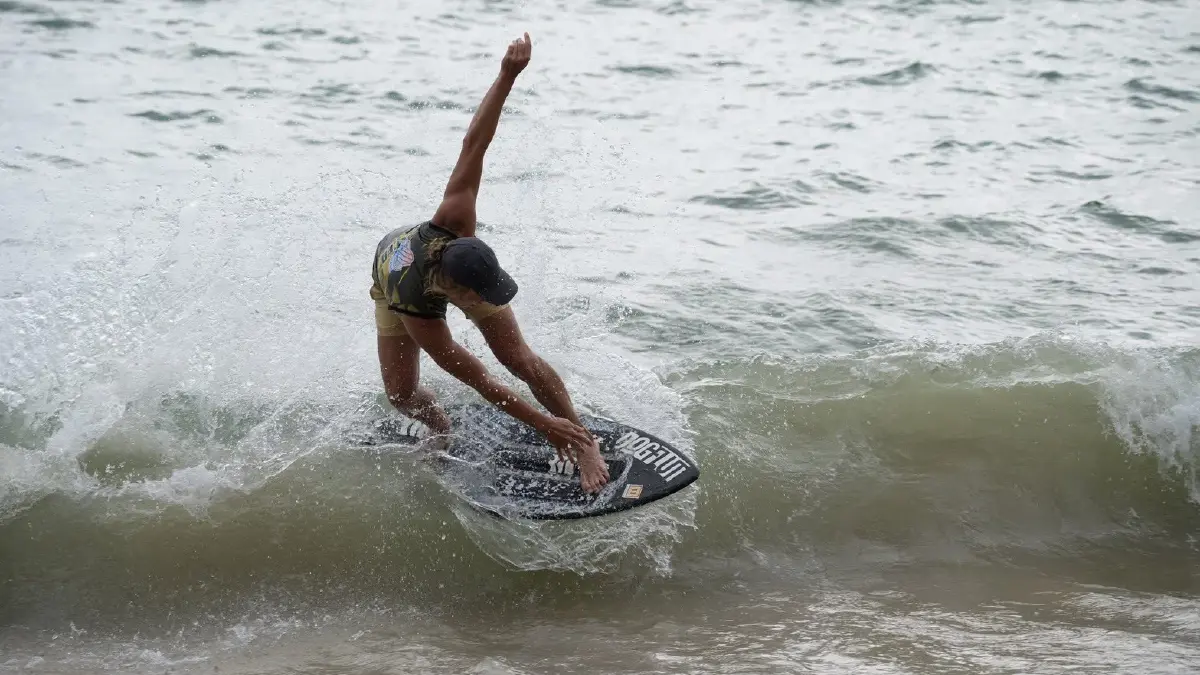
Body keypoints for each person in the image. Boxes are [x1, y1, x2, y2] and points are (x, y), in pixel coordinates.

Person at [368, 32, 610, 494]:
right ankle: (440, 427)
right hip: (390, 281)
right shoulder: (415, 304)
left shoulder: (457, 217)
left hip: (446, 265)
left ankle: (585, 441)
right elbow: (478, 378)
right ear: (459, 294)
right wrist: (542, 424)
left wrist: (507, 75)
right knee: (400, 393)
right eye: (480, 296)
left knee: (519, 359)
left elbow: (474, 142)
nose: (488, 299)